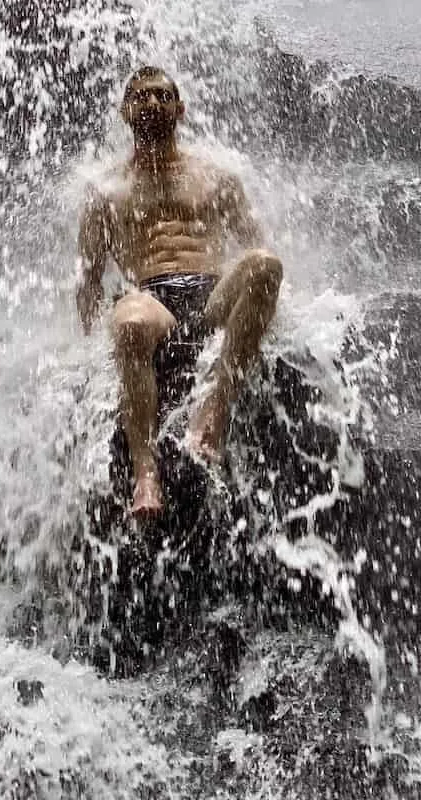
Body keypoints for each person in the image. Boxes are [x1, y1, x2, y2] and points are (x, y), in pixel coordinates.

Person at [75, 65, 283, 520]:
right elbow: (89, 279)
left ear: (180, 108)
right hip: (152, 300)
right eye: (141, 96)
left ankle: (214, 410)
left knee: (266, 265)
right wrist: (84, 346)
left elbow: (254, 245)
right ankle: (145, 474)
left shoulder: (217, 178)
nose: (152, 103)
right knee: (128, 319)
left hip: (212, 295)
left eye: (162, 95)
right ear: (125, 112)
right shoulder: (105, 192)